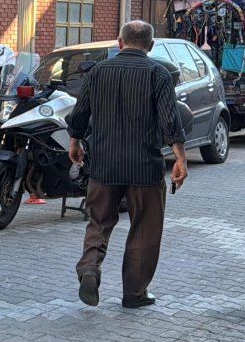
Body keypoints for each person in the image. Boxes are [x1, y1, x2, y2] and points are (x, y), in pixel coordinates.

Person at [67, 20, 188, 309]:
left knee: (98, 222)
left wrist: (75, 142)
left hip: (103, 166)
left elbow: (80, 112)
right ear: (151, 45)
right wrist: (180, 158)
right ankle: (134, 293)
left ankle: (89, 269)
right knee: (145, 228)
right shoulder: (158, 73)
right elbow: (170, 120)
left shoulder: (97, 72)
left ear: (119, 42)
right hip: (144, 167)